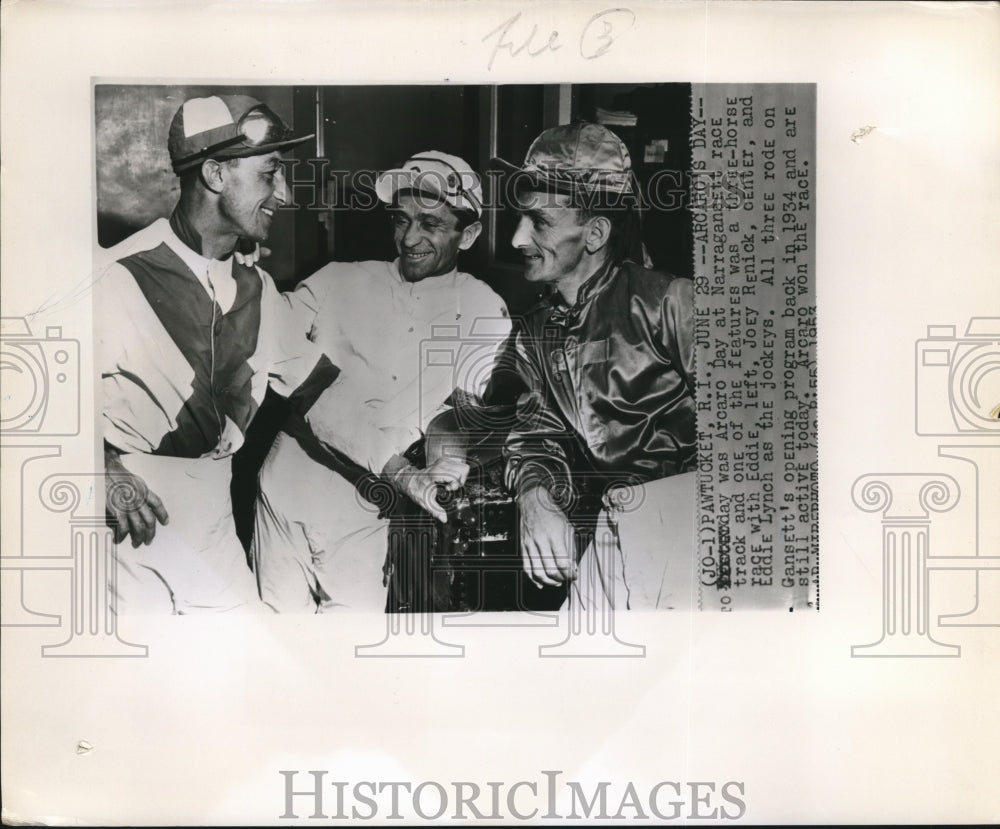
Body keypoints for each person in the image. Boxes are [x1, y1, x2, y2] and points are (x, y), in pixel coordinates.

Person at [97, 94, 341, 613]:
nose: (285, 194)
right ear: (214, 174)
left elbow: (316, 394)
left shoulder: (259, 289)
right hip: (128, 525)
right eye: (269, 174)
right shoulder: (114, 274)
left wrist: (403, 462)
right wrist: (96, 467)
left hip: (216, 518)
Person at [252, 151, 511, 612]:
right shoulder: (336, 280)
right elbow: (272, 351)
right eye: (401, 219)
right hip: (284, 492)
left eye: (430, 224)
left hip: (367, 511)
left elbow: (458, 412)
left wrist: (448, 461)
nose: (409, 238)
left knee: (348, 656)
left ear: (468, 234)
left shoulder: (483, 311)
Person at [491, 122, 697, 611]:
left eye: (539, 222)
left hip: (695, 534)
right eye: (521, 219)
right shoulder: (534, 332)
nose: (518, 238)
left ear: (596, 232)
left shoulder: (671, 301)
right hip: (614, 528)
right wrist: (535, 497)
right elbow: (535, 437)